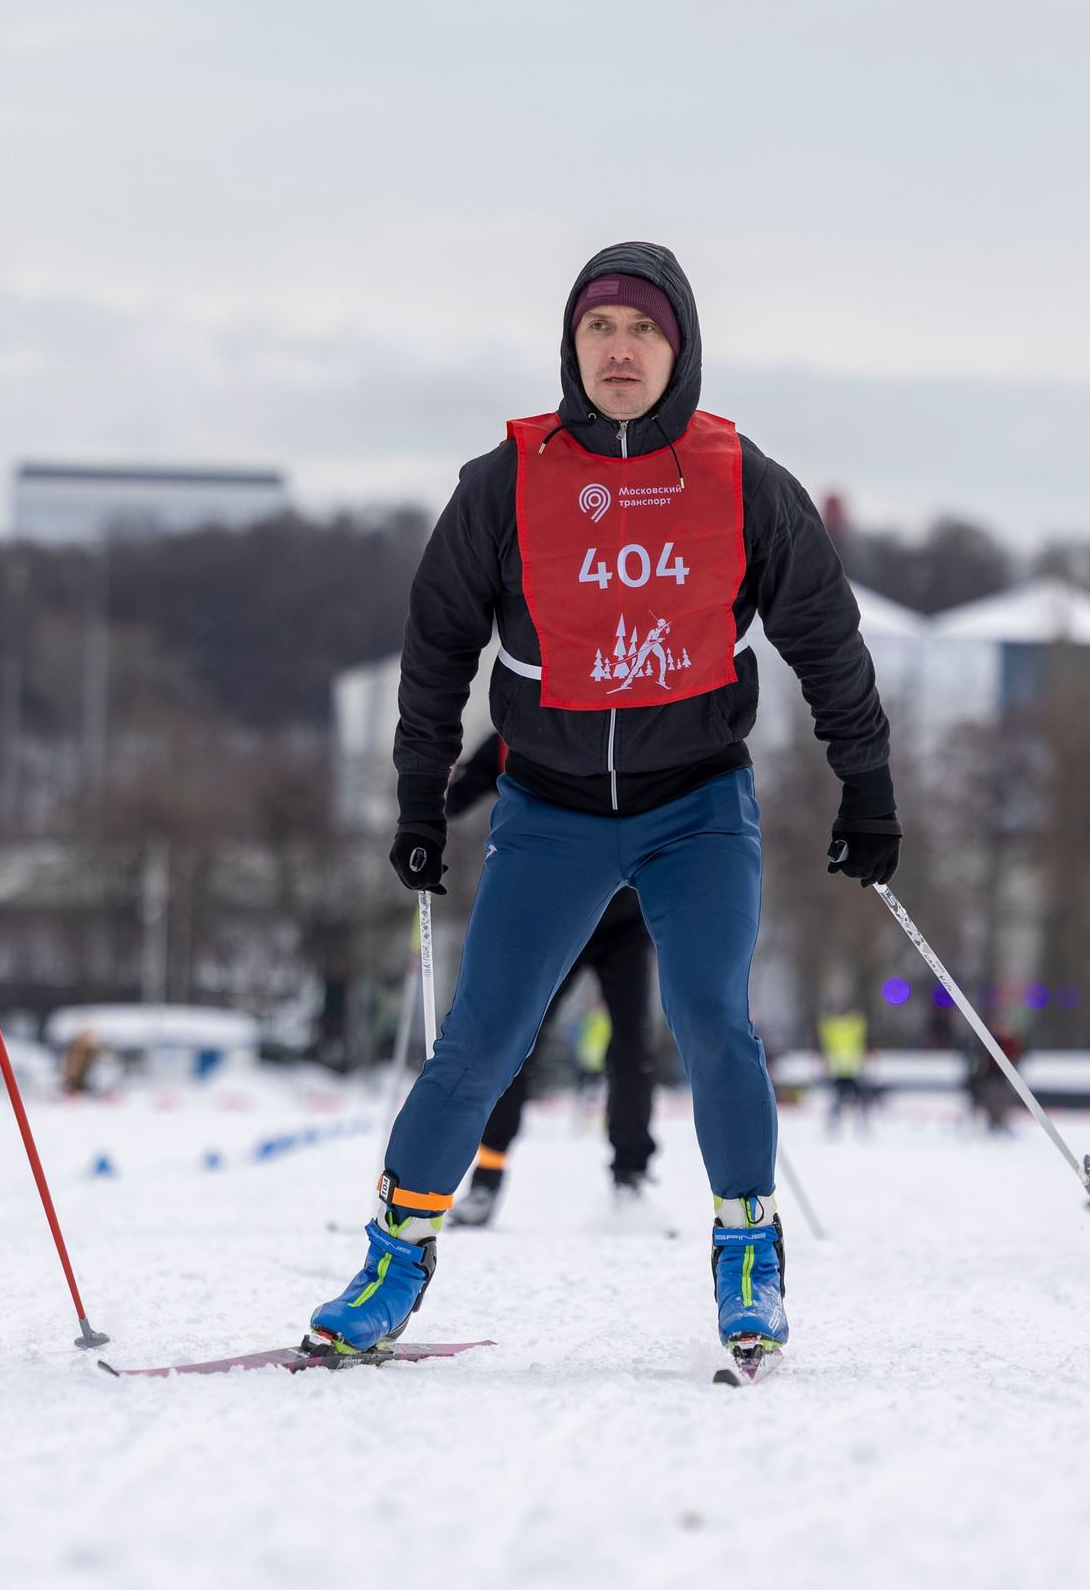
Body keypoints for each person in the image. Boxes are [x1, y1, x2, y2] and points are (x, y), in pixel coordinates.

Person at [308, 242, 899, 1368]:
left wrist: (866, 784)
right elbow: (435, 648)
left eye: (643, 332)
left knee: (715, 1023)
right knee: (480, 1039)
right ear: (571, 348)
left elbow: (825, 636)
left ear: (678, 349)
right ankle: (394, 1258)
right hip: (551, 807)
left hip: (695, 804)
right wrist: (419, 800)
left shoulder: (741, 477)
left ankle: (748, 1256)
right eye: (598, 331)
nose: (619, 351)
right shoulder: (507, 480)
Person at [439, 736, 659, 1228]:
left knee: (631, 1046)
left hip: (625, 918)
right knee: (517, 1038)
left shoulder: (627, 717)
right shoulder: (512, 733)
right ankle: (488, 1178)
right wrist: (430, 780)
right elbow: (454, 799)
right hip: (554, 914)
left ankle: (630, 1180)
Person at [819, 1007, 873, 1137]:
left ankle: (857, 1124)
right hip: (844, 1068)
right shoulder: (847, 1027)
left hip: (847, 1068)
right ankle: (836, 1125)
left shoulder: (837, 1027)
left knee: (848, 1099)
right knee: (842, 1099)